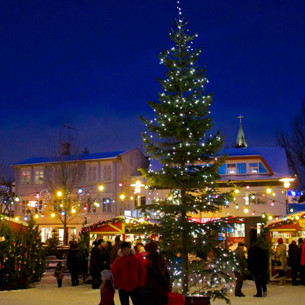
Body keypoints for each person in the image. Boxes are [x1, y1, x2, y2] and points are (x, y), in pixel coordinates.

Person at [247, 228, 268, 297]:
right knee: (262, 277)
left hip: (256, 263)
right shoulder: (259, 244)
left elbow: (251, 255)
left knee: (257, 278)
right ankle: (264, 290)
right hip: (261, 263)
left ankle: (259, 292)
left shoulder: (252, 244)